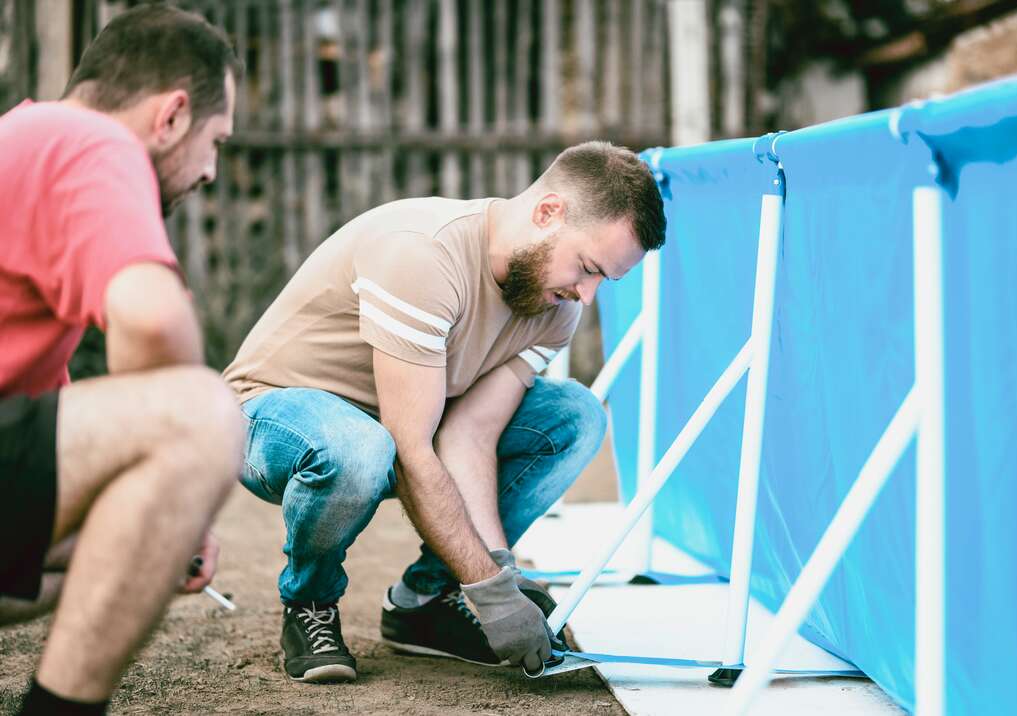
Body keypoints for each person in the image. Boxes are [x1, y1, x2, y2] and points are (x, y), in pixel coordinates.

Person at [223, 140, 667, 682]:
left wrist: (497, 573)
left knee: (576, 415)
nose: (588, 295)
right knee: (363, 447)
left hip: (398, 430)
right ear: (548, 212)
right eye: (587, 268)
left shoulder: (554, 306)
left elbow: (470, 436)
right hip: (271, 418)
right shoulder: (425, 255)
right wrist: (494, 596)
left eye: (604, 280)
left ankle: (425, 602)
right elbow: (409, 449)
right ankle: (309, 602)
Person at [0, 6, 245, 714]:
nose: (211, 170)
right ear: (170, 116)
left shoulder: (25, 137)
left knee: (125, 543)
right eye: (216, 140)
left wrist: (163, 533)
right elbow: (153, 318)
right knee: (199, 413)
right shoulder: (89, 140)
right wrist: (189, 496)